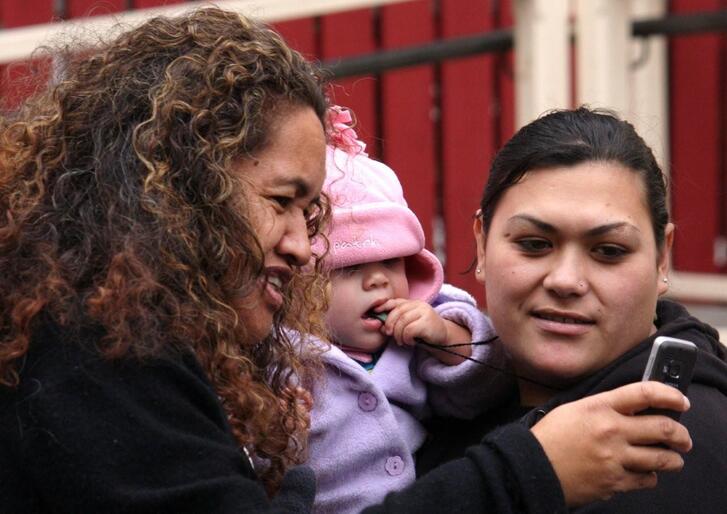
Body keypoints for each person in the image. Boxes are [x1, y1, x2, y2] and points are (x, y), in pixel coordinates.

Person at [0, 9, 693, 513]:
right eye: (281, 200)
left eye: (608, 250)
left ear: (660, 257)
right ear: (177, 185)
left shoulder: (127, 326)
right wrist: (529, 472)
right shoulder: (93, 349)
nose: (305, 249)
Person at [415, 107, 727, 513]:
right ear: (482, 244)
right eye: (533, 244)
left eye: (609, 251)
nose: (566, 280)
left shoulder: (672, 448)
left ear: (661, 258)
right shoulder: (423, 389)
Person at [299, 107, 507, 513]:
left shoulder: (417, 326)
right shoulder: (282, 352)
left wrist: (448, 340)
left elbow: (486, 391)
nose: (379, 281)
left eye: (392, 263)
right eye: (350, 267)